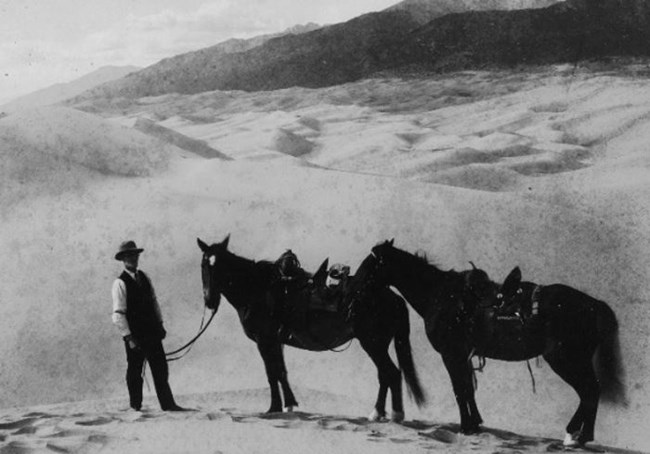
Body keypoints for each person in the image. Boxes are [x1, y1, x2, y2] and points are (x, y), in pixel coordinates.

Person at [111, 240, 186, 412]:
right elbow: (118, 314)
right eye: (129, 256)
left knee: (160, 369)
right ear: (123, 259)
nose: (133, 258)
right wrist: (128, 337)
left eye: (135, 255)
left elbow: (154, 303)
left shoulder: (145, 277)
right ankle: (135, 406)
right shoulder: (120, 283)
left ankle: (168, 405)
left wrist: (160, 324)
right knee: (135, 372)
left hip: (152, 333)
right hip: (135, 336)